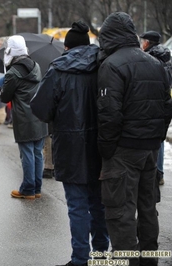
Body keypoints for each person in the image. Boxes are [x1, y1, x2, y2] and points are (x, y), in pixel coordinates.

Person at [30, 21, 109, 266]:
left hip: (70, 144)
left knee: (77, 206)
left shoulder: (59, 69)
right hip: (102, 145)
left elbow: (41, 108)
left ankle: (80, 259)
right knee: (99, 203)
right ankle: (101, 255)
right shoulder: (104, 65)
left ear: (67, 46)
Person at [97, 12, 171, 266]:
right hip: (150, 147)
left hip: (123, 150)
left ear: (108, 37)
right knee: (148, 208)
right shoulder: (154, 63)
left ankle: (126, 262)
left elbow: (109, 113)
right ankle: (149, 260)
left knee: (121, 213)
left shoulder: (111, 65)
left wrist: (107, 149)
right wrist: (157, 137)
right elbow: (167, 105)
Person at [0, 35, 48, 200]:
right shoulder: (36, 66)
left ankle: (27, 189)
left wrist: (2, 91)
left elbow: (5, 97)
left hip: (24, 118)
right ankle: (37, 188)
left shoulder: (13, 73)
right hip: (39, 115)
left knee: (26, 152)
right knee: (37, 152)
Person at [139, 30, 171, 187]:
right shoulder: (166, 58)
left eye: (143, 41)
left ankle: (152, 173)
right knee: (160, 138)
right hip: (164, 103)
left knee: (151, 139)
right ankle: (159, 173)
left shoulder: (149, 58)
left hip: (150, 103)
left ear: (147, 43)